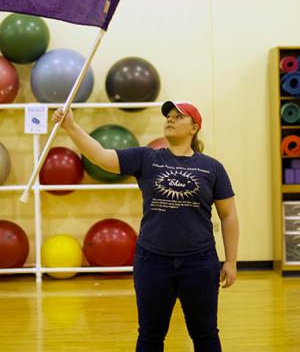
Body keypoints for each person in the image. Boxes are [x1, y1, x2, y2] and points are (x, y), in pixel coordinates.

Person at [52, 100, 239, 352]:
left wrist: (231, 261)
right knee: (151, 335)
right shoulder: (146, 158)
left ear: (194, 128)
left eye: (178, 117)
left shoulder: (212, 167)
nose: (170, 120)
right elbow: (100, 156)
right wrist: (71, 126)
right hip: (152, 262)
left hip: (199, 262)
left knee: (205, 334)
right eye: (168, 116)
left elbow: (228, 215)